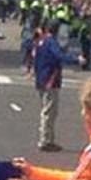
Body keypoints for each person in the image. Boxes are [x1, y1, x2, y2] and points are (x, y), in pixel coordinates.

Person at [34, 20, 84, 152]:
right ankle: (45, 140)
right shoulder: (51, 42)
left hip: (41, 78)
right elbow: (59, 56)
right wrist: (76, 59)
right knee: (49, 111)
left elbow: (36, 59)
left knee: (47, 110)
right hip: (50, 79)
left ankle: (48, 139)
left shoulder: (41, 41)